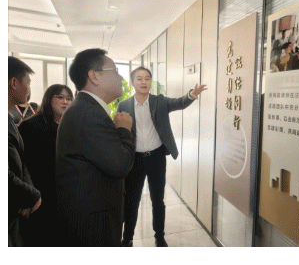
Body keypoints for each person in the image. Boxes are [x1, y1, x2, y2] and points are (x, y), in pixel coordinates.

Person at [119, 67, 207, 247]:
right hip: (135, 160)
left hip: (156, 158)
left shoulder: (159, 101)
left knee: (158, 200)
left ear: (150, 82)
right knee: (132, 201)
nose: (144, 82)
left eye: (147, 78)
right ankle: (127, 238)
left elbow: (179, 103)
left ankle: (159, 236)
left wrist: (191, 95)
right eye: (139, 78)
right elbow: (121, 132)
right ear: (132, 82)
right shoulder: (124, 105)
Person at [56, 48, 135, 246]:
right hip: (93, 224)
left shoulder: (85, 108)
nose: (120, 77)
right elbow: (120, 165)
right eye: (115, 71)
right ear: (94, 76)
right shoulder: (89, 114)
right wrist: (124, 129)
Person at [19, 84, 74, 246]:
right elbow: (21, 165)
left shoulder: (69, 126)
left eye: (69, 98)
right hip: (39, 196)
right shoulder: (31, 125)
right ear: (49, 99)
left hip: (63, 197)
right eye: (60, 97)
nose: (65, 101)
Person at [8, 57, 41, 246]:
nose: (29, 90)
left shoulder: (8, 119)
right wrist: (32, 196)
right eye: (27, 83)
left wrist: (28, 195)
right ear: (14, 83)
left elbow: (20, 159)